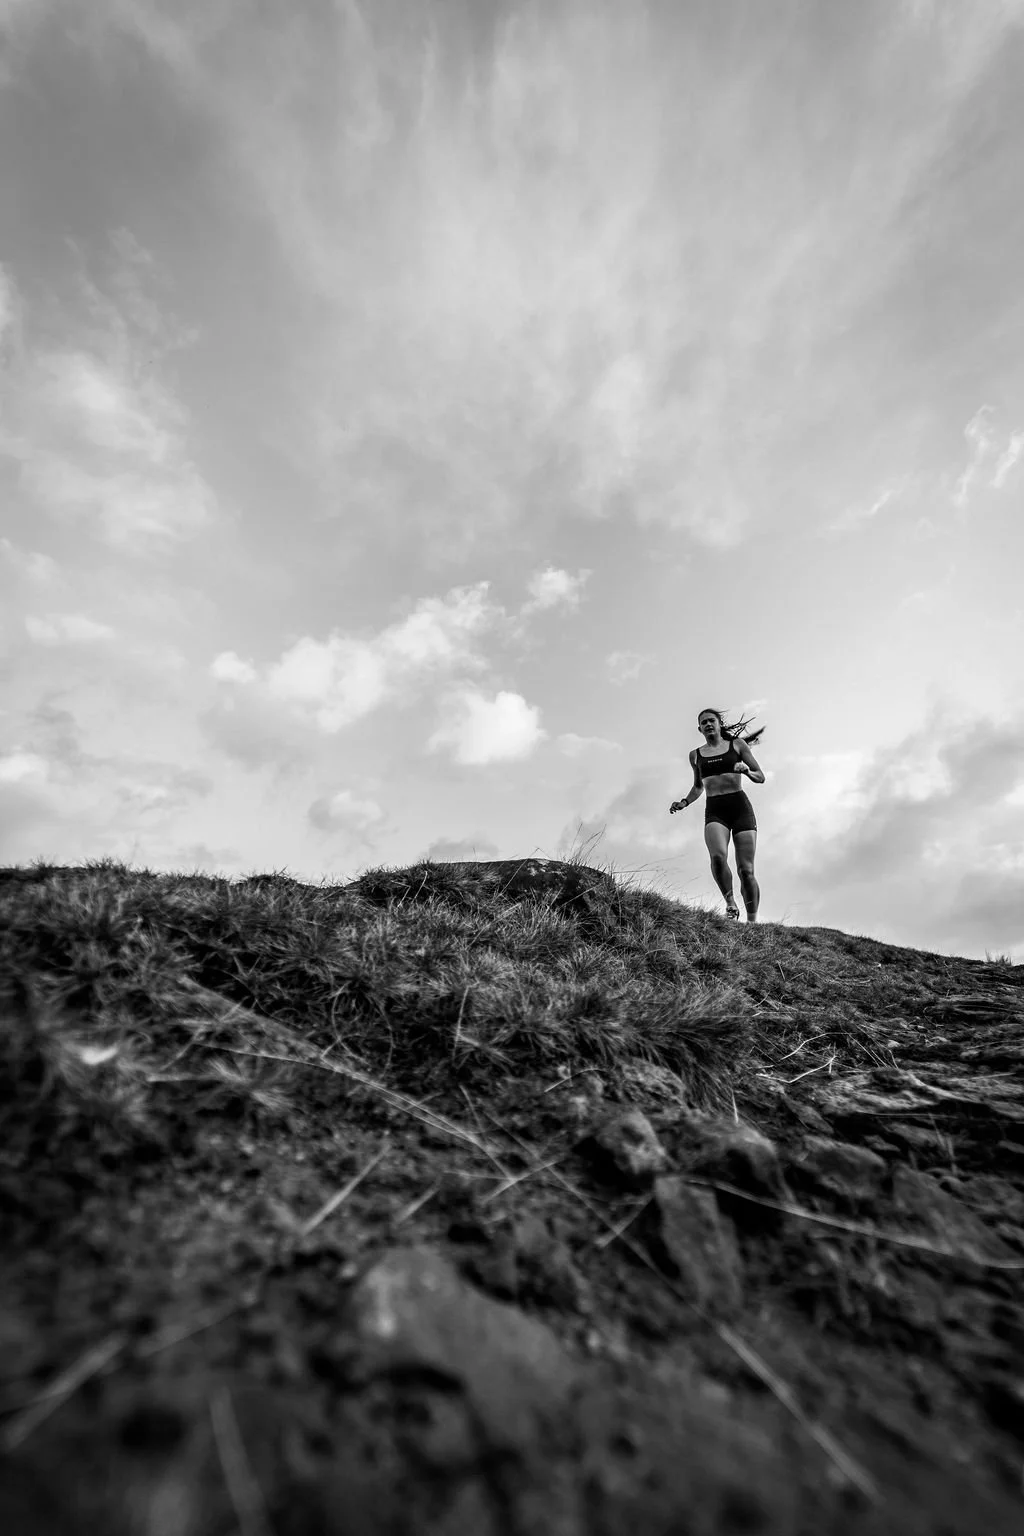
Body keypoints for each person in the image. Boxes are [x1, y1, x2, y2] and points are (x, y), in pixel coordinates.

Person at [669, 707, 765, 922]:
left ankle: (752, 921)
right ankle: (730, 904)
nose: (708, 724)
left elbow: (761, 777)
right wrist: (684, 802)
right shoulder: (696, 755)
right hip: (715, 809)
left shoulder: (737, 745)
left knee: (746, 870)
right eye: (704, 723)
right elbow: (697, 787)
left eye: (711, 720)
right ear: (699, 728)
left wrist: (746, 771)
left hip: (740, 807)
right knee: (718, 857)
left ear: (719, 723)